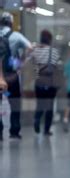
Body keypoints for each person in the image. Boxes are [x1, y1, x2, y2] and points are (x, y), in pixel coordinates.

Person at [0, 12, 32, 140]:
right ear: (11, 23)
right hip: (12, 76)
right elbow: (30, 48)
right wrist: (20, 64)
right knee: (15, 103)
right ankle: (14, 131)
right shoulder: (16, 35)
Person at [30, 30, 61, 136]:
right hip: (50, 82)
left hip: (39, 81)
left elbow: (32, 63)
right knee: (49, 106)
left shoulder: (35, 51)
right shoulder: (54, 51)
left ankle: (36, 118)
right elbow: (57, 66)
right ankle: (46, 130)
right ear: (50, 39)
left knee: (40, 103)